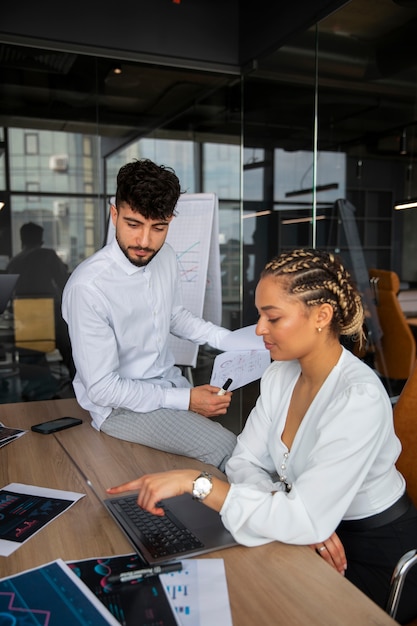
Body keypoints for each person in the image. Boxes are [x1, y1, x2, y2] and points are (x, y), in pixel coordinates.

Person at [107, 248, 417, 625]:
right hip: (317, 535)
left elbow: (301, 515)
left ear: (322, 316)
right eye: (260, 315)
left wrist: (197, 483)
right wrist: (294, 515)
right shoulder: (279, 375)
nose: (258, 329)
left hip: (373, 554)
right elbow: (243, 461)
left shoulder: (358, 398)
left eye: (273, 317)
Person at [62, 158, 237, 471]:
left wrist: (227, 339)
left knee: (248, 444)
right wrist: (186, 401)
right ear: (114, 214)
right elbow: (102, 388)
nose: (144, 242)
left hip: (169, 385)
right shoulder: (88, 287)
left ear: (170, 219)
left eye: (158, 228)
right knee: (227, 449)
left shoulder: (165, 255)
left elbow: (173, 316)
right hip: (120, 409)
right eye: (133, 224)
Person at [6, 221, 75, 379]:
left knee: (32, 355)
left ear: (22, 239)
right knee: (71, 348)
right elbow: (64, 283)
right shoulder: (47, 255)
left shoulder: (13, 262)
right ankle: (75, 382)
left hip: (23, 319)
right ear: (41, 239)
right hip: (49, 315)